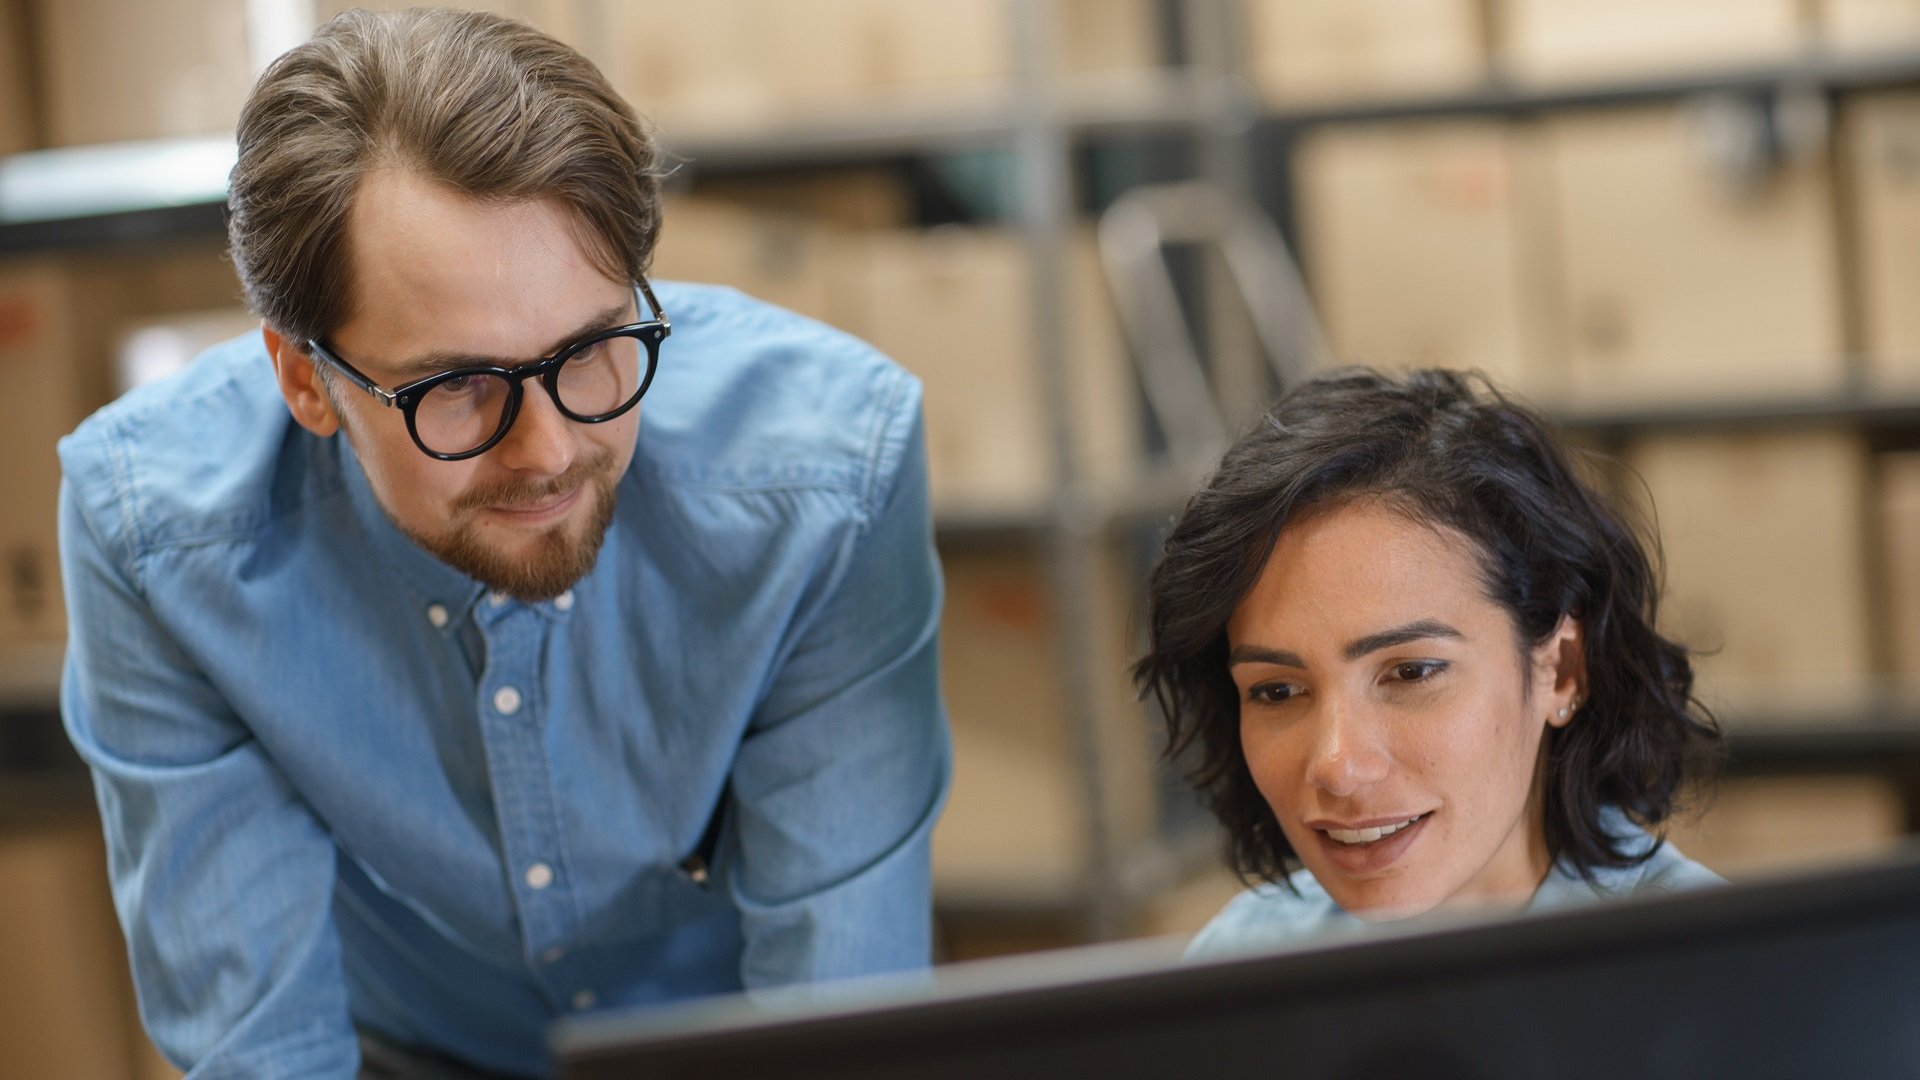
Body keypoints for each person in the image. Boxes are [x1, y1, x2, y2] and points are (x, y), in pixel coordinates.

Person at [57, 9, 948, 1077]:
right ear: (306, 380)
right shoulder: (161, 542)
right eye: (459, 387)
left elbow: (835, 1021)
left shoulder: (827, 485)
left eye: (590, 351)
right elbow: (264, 1049)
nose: (551, 449)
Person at [1132, 368, 1724, 959]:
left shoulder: (1718, 973)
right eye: (1278, 692)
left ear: (1561, 668)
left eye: (1410, 673)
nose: (1337, 767)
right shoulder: (1237, 968)